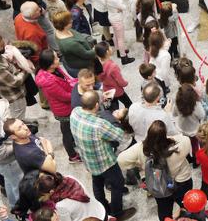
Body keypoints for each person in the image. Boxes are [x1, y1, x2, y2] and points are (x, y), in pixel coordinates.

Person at [70, 91, 137, 221]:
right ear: (96, 105)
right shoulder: (99, 125)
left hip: (88, 160)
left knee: (97, 184)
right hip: (105, 162)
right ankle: (117, 213)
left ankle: (103, 209)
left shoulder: (75, 112)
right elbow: (120, 136)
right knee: (118, 184)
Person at [117, 120, 193, 221]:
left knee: (164, 211)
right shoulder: (179, 146)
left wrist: (138, 164)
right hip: (181, 181)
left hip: (159, 187)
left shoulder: (141, 149)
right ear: (165, 134)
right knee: (186, 205)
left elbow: (120, 160)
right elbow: (186, 139)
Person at [35, 49, 82, 163]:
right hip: (63, 109)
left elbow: (67, 80)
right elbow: (64, 96)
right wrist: (79, 91)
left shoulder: (55, 69)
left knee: (68, 129)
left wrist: (77, 82)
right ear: (50, 64)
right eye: (56, 58)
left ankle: (72, 142)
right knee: (66, 131)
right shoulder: (49, 82)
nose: (58, 59)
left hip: (67, 104)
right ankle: (72, 156)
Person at [0, 34, 29, 120]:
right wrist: (25, 70)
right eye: (2, 46)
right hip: (14, 96)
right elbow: (16, 82)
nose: (4, 47)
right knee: (18, 115)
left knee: (16, 112)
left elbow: (2, 59)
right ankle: (18, 128)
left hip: (4, 89)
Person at [35, 171, 106, 221]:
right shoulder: (69, 178)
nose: (42, 198)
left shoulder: (61, 205)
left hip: (91, 219)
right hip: (100, 210)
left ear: (51, 191)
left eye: (43, 195)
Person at [100, 0, 134, 64]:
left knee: (116, 36)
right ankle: (124, 57)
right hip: (117, 19)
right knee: (120, 38)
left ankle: (119, 51)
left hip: (112, 17)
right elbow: (124, 7)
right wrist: (120, 4)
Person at [52, 10, 96, 77]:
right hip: (81, 68)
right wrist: (95, 50)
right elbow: (86, 54)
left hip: (73, 61)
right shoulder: (70, 43)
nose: (72, 21)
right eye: (69, 21)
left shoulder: (59, 31)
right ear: (64, 25)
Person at [174, 83, 205, 162]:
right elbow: (202, 115)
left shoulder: (177, 105)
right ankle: (197, 160)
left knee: (187, 144)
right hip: (194, 130)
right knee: (195, 145)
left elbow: (174, 114)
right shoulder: (196, 106)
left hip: (183, 129)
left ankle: (188, 158)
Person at [96, 41, 131, 109]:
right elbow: (121, 82)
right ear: (107, 52)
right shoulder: (113, 66)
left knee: (114, 108)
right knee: (129, 104)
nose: (111, 48)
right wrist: (126, 83)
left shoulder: (98, 64)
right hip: (117, 91)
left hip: (107, 91)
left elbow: (99, 79)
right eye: (110, 47)